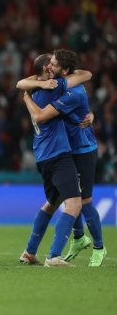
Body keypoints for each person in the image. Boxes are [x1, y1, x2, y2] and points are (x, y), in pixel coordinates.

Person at [17, 49, 106, 266]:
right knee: (75, 202)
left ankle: (94, 246)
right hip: (60, 154)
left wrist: (28, 95)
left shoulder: (55, 87)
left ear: (63, 70)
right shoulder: (54, 87)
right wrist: (36, 89)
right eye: (49, 65)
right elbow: (86, 75)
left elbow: (86, 76)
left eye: (54, 64)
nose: (51, 67)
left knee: (61, 202)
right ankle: (56, 255)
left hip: (77, 150)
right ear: (44, 74)